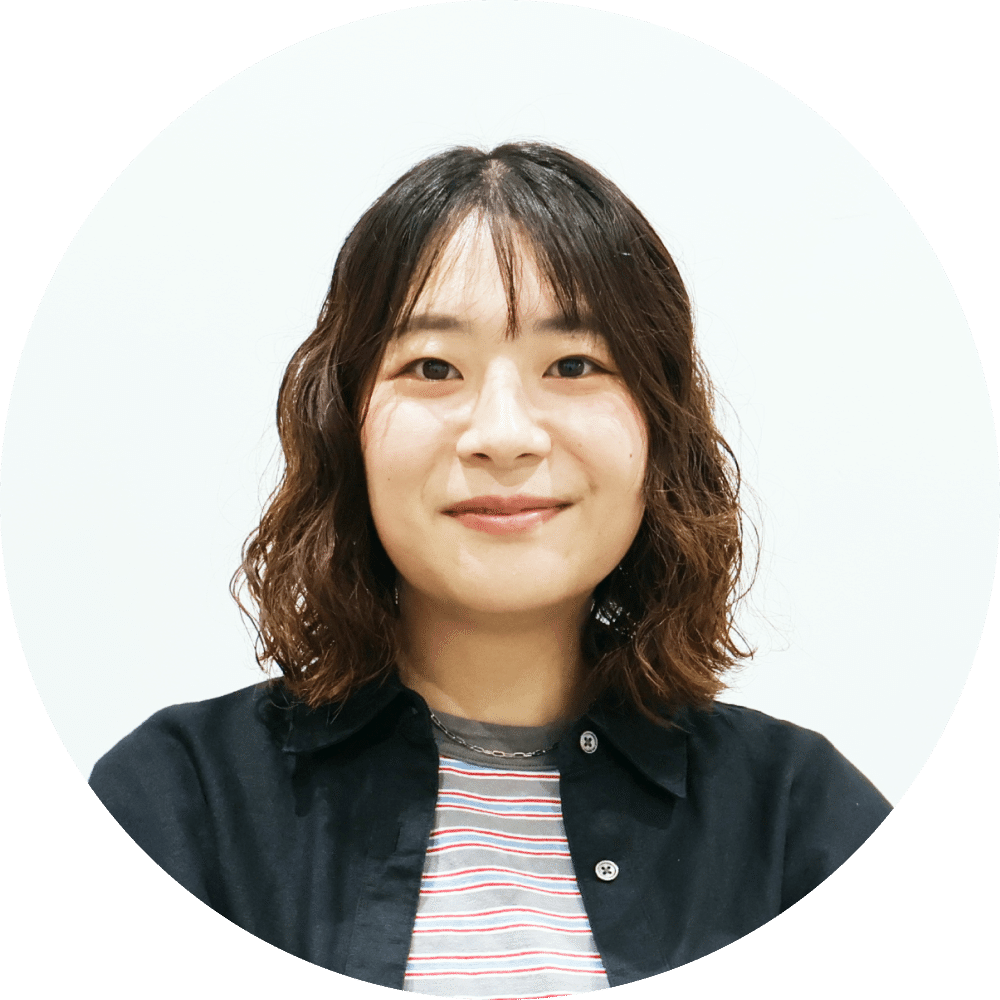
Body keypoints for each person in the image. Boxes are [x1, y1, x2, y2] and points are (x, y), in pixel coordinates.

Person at [89, 143, 890, 997]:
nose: (504, 434)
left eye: (573, 366)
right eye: (433, 367)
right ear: (343, 427)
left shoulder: (801, 826)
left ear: (660, 432)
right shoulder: (179, 805)